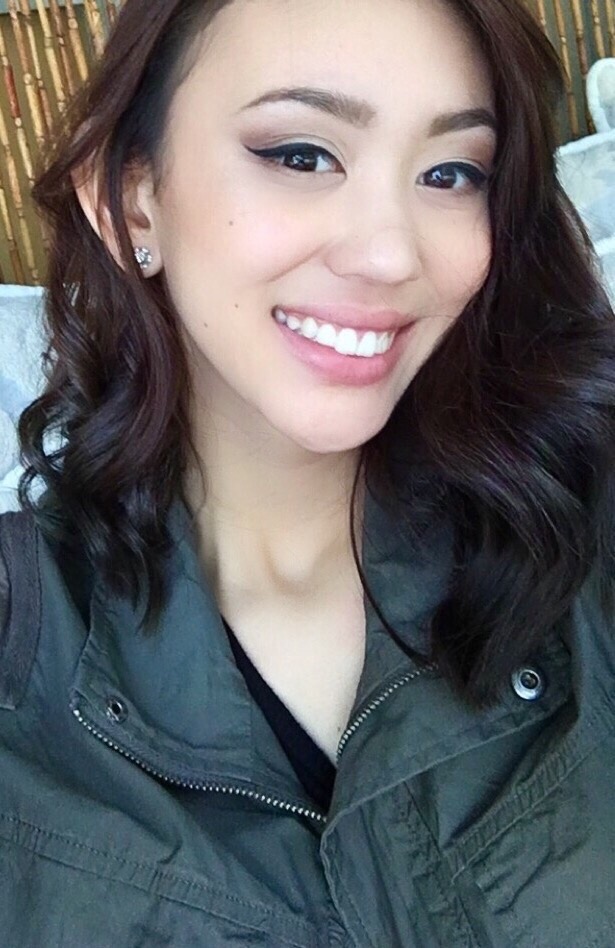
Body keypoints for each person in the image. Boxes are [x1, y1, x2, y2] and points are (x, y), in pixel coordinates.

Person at [0, 0, 614, 944]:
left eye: (450, 173)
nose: (389, 253)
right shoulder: (22, 646)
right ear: (131, 197)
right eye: (300, 155)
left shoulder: (577, 527)